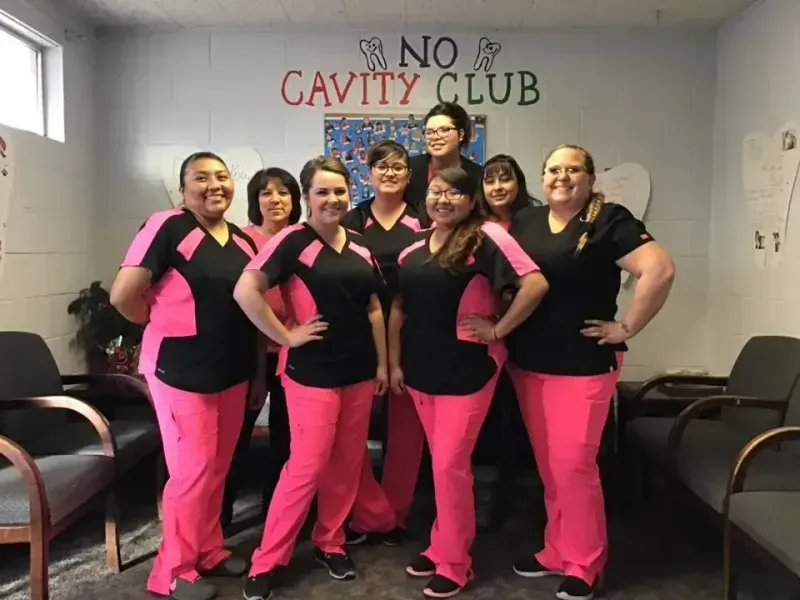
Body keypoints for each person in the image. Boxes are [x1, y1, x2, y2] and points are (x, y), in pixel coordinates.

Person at [497, 145, 675, 600]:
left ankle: (585, 561)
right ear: (541, 178)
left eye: (573, 169)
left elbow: (660, 269)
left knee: (574, 465)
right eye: (553, 169)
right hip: (529, 361)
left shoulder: (610, 219)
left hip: (583, 364)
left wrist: (627, 326)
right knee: (551, 466)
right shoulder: (528, 222)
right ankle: (557, 550)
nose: (562, 176)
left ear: (590, 178)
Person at [233, 156, 388, 600]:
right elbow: (246, 290)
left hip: (358, 372)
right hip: (312, 373)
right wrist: (286, 336)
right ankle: (268, 559)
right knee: (305, 465)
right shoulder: (291, 241)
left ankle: (331, 542)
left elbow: (374, 307)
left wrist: (381, 364)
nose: (333, 199)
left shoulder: (359, 246)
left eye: (340, 191)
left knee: (346, 462)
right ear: (307, 197)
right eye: (322, 191)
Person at [110, 152, 263, 600]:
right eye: (201, 178)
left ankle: (209, 549)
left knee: (216, 468)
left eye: (221, 177)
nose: (214, 185)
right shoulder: (166, 225)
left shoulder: (243, 241)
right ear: (183, 189)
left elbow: (254, 312)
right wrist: (160, 323)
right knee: (191, 472)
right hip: (180, 371)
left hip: (231, 371)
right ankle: (171, 572)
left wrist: (257, 375)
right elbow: (124, 296)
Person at [392, 167, 550, 598]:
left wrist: (499, 329)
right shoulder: (412, 251)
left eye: (455, 193)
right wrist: (395, 363)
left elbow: (534, 284)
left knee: (448, 465)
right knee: (443, 467)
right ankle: (443, 542)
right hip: (422, 370)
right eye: (437, 192)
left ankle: (456, 562)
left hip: (470, 369)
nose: (444, 199)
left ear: (470, 199)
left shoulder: (487, 236)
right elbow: (402, 310)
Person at [340, 140, 424, 547]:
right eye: (381, 167)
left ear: (409, 176)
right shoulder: (351, 219)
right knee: (350, 436)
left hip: (413, 332)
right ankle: (367, 513)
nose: (390, 173)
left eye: (398, 167)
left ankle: (398, 514)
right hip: (359, 332)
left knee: (406, 434)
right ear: (367, 174)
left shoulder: (423, 218)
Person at [221, 167, 303, 530]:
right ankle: (218, 521)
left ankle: (278, 519)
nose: (276, 199)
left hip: (294, 355)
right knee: (233, 443)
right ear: (255, 201)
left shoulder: (302, 239)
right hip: (247, 354)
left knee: (287, 444)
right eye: (266, 193)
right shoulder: (242, 241)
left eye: (284, 192)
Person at [471, 154, 544, 532]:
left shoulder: (537, 223)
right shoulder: (475, 227)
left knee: (525, 421)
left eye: (506, 179)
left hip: (531, 333)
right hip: (485, 338)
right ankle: (487, 501)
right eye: (490, 180)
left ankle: (528, 503)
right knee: (488, 420)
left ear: (519, 182)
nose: (498, 187)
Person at [404, 102, 482, 227]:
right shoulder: (409, 169)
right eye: (429, 132)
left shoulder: (477, 176)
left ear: (461, 134)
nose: (435, 137)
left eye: (444, 130)